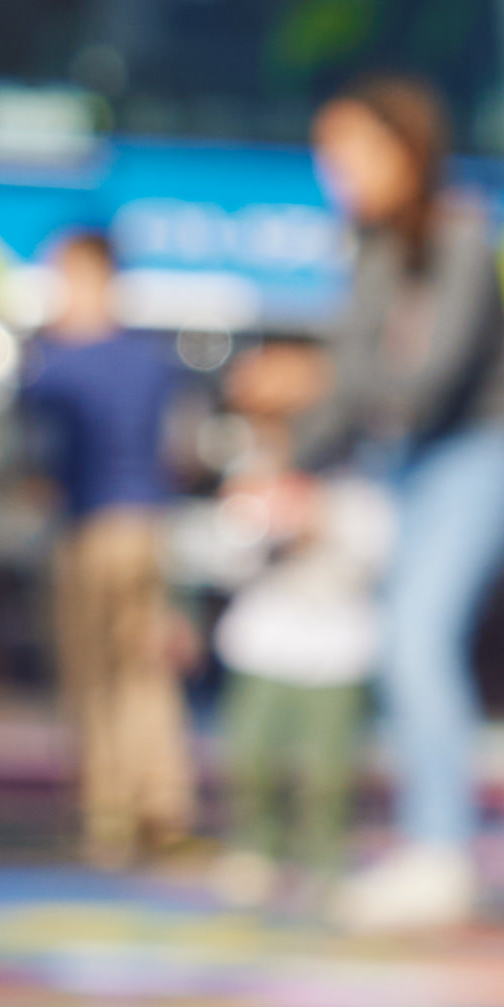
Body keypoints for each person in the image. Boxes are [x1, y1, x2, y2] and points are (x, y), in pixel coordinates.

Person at [298, 75, 504, 934]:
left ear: (405, 150)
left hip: (480, 452)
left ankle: (441, 848)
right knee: (402, 635)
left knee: (419, 635)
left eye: (352, 151)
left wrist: (326, 399)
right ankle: (427, 837)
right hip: (415, 458)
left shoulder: (462, 237)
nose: (337, 172)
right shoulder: (369, 246)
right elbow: (354, 371)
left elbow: (427, 373)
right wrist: (295, 455)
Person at [15, 219, 196, 863]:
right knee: (146, 670)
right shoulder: (149, 360)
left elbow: (36, 463)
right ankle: (163, 801)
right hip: (146, 523)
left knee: (93, 673)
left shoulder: (55, 364)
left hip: (90, 527)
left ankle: (109, 811)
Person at [209, 352, 388, 899]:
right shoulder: (251, 467)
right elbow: (223, 555)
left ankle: (324, 858)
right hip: (266, 642)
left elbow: (377, 543)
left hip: (336, 646)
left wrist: (323, 522)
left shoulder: (358, 470)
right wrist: (254, 520)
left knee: (327, 771)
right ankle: (256, 847)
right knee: (252, 756)